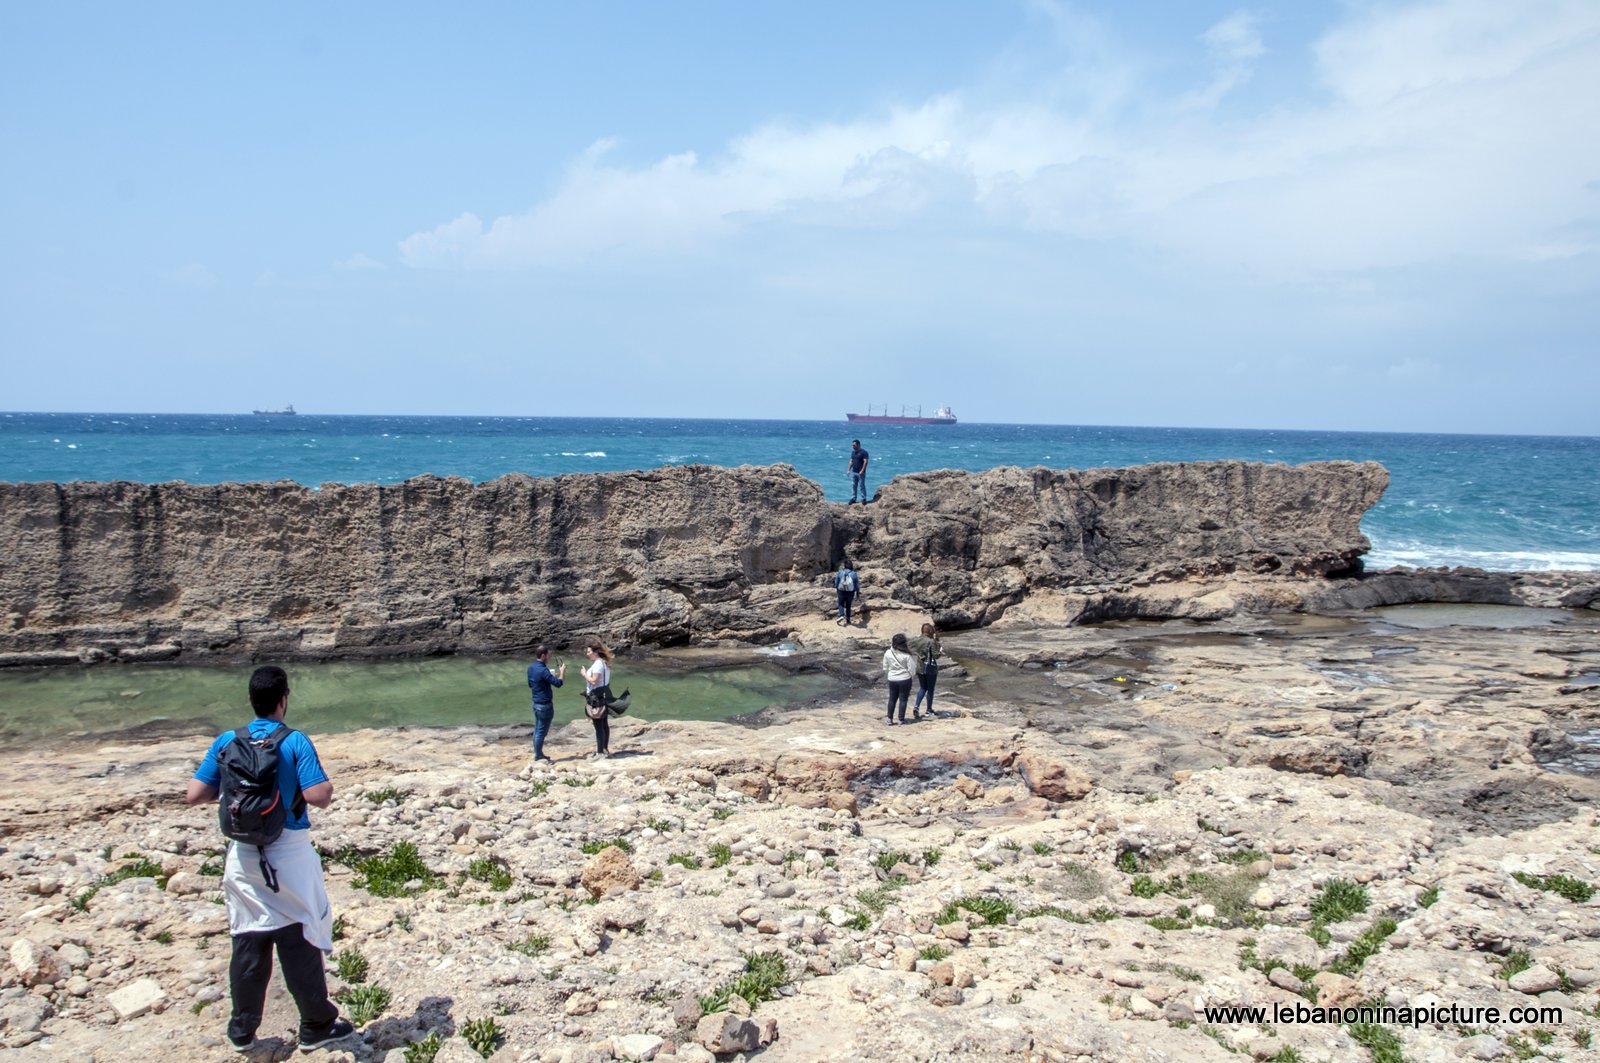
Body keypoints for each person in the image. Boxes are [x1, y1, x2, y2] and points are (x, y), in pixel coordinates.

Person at [185, 666, 355, 1054]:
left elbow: (195, 794)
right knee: (298, 936)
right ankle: (316, 1024)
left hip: (242, 854)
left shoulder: (228, 740)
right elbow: (318, 796)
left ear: (252, 700)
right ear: (284, 699)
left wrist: (237, 797)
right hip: (288, 849)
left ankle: (242, 1029)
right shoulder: (294, 742)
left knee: (248, 936)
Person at [526, 645, 565, 763]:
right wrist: (562, 672)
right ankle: (538, 756)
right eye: (547, 655)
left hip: (536, 703)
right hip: (544, 705)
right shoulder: (543, 670)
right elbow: (558, 683)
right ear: (543, 655)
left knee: (537, 729)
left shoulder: (531, 668)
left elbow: (530, 684)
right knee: (541, 731)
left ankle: (539, 753)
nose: (548, 657)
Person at [580, 641, 614, 757]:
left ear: (595, 652)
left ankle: (600, 752)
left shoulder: (598, 664)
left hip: (597, 698)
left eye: (589, 652)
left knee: (599, 725)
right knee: (604, 724)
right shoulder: (602, 663)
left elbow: (594, 681)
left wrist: (584, 674)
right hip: (602, 695)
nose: (587, 654)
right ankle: (604, 749)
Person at [882, 632, 917, 726]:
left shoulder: (888, 653)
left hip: (892, 678)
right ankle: (901, 720)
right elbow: (912, 669)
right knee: (903, 699)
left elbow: (885, 667)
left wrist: (890, 675)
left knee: (892, 699)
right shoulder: (906, 655)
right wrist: (911, 677)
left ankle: (889, 719)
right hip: (905, 679)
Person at [910, 621, 942, 719]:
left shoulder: (917, 639)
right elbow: (936, 656)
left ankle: (916, 706)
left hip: (920, 667)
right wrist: (940, 651)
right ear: (930, 631)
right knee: (930, 689)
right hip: (930, 668)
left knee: (923, 687)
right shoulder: (931, 641)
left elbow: (911, 649)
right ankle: (928, 710)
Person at [834, 560, 860, 626]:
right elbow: (856, 584)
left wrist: (837, 589)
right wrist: (857, 592)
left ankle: (841, 615)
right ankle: (848, 619)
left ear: (844, 565)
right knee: (848, 605)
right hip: (850, 592)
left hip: (841, 591)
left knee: (841, 603)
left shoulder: (840, 572)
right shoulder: (854, 573)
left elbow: (836, 582)